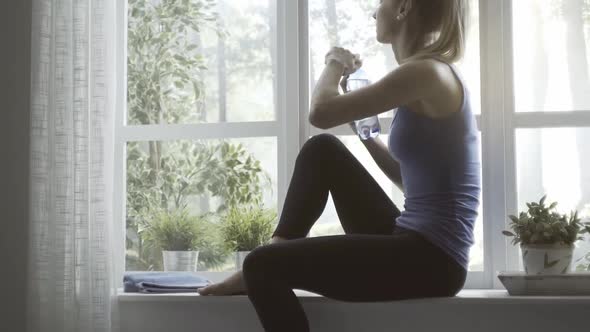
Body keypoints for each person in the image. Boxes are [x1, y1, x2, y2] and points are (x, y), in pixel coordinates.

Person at [198, 0, 481, 331]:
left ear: (404, 7)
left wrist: (334, 62)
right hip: (415, 242)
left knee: (260, 265)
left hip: (432, 260)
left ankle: (261, 265)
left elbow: (320, 112)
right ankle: (277, 249)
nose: (376, 12)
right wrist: (363, 131)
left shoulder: (426, 73)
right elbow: (408, 180)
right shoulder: (427, 73)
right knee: (323, 150)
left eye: (381, 3)